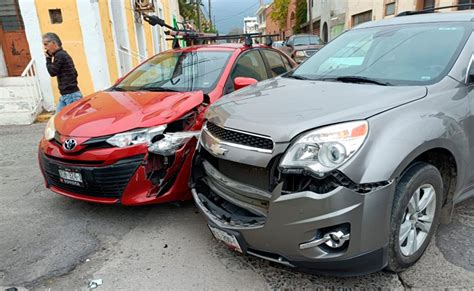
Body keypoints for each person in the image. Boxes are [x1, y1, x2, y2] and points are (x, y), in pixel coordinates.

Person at [42, 32, 82, 112]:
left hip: (71, 96)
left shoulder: (60, 55)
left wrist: (48, 59)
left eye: (46, 44)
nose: (45, 48)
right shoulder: (61, 55)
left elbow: (52, 72)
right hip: (66, 95)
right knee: (58, 119)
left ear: (54, 43)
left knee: (72, 121)